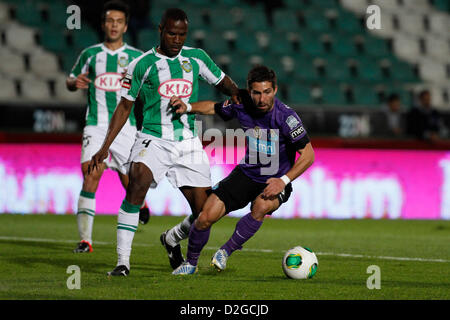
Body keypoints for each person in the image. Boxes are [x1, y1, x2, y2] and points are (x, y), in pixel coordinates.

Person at [88, 8, 239, 276]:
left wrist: (241, 95)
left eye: (182, 34)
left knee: (206, 213)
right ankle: (123, 262)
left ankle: (171, 239)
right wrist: (104, 147)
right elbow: (124, 107)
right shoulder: (142, 64)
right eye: (172, 33)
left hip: (188, 142)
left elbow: (223, 83)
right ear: (160, 30)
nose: (177, 39)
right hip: (153, 140)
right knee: (137, 185)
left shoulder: (196, 58)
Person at [169, 65, 315, 275]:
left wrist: (283, 181)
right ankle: (190, 264)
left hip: (274, 179)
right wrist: (188, 107)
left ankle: (226, 250)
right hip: (245, 174)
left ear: (275, 90)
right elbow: (214, 108)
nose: (261, 99)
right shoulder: (242, 104)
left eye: (266, 92)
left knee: (260, 206)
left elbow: (308, 155)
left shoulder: (287, 118)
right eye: (256, 92)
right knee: (204, 217)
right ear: (249, 91)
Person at [66, 0, 150, 254]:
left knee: (130, 181)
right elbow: (71, 79)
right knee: (90, 174)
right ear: (103, 24)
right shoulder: (90, 54)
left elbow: (149, 86)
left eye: (119, 22)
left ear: (125, 26)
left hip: (126, 127)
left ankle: (142, 204)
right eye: (110, 21)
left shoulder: (136, 57)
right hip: (96, 123)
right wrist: (73, 82)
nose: (114, 26)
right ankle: (85, 240)